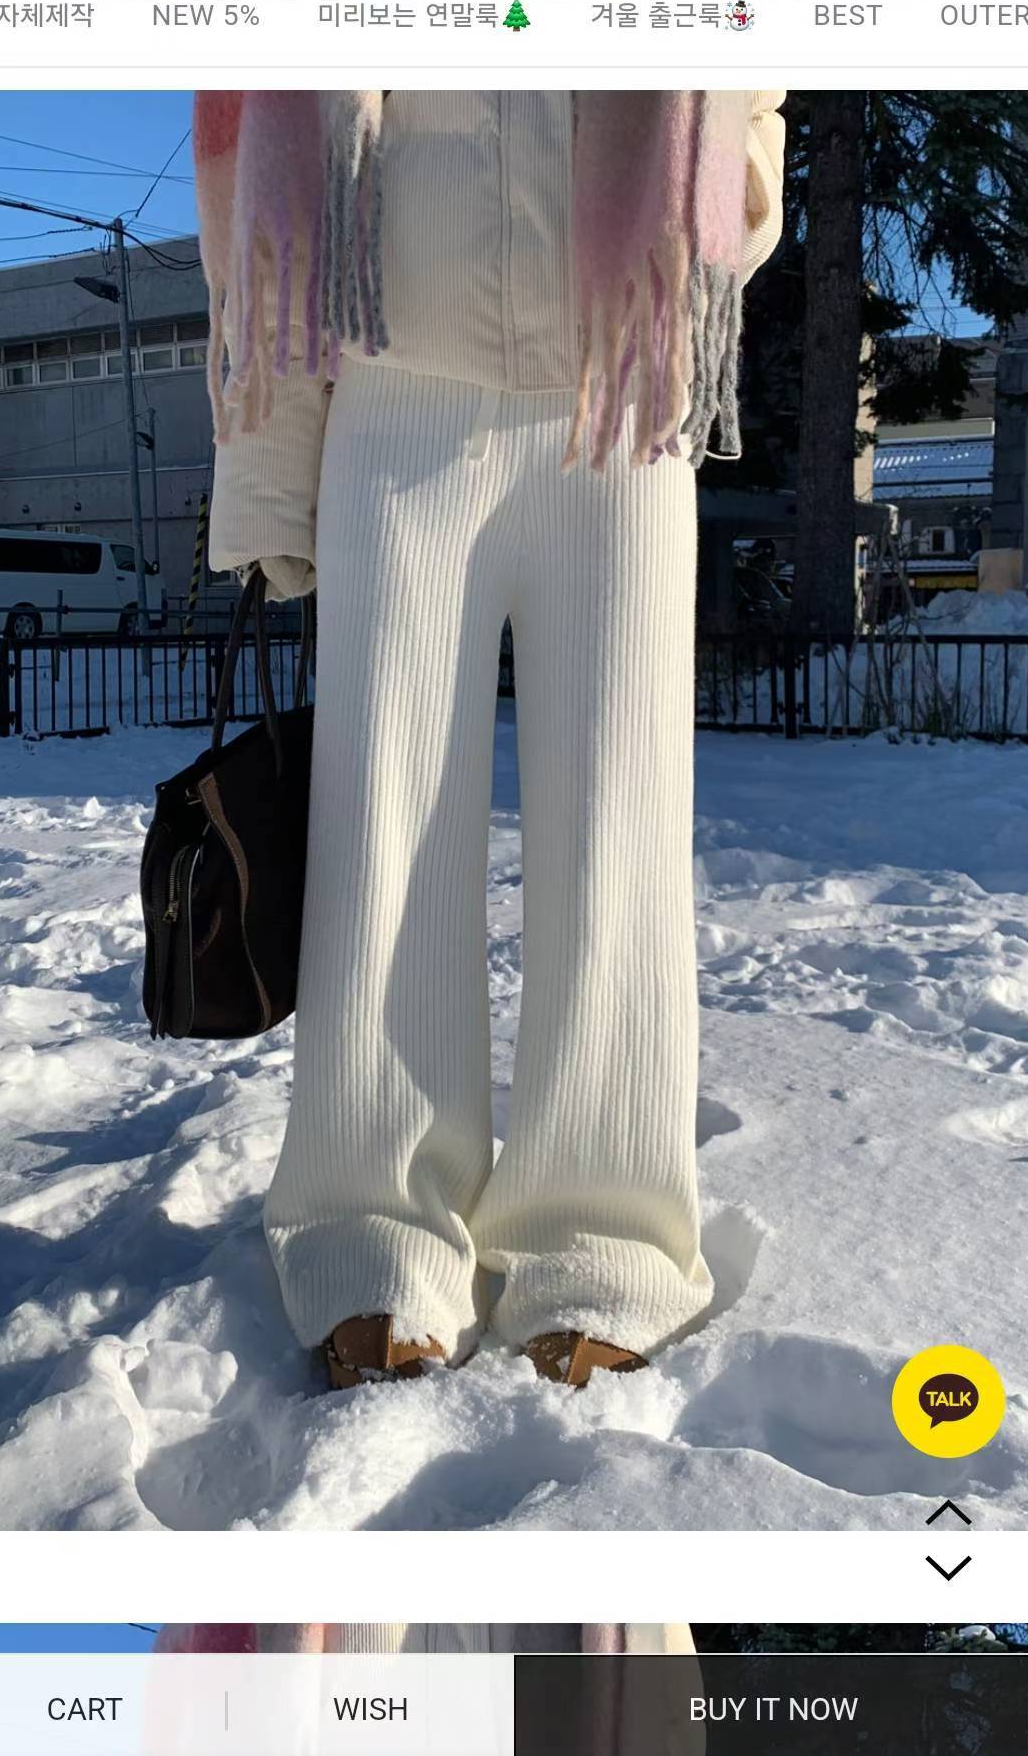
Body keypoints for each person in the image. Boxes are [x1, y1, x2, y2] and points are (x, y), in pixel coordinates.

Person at [196, 88, 785, 1391]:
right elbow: (255, 160)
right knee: (381, 824)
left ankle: (610, 1234)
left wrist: (713, 198)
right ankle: (372, 1229)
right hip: (395, 372)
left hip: (622, 376)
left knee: (623, 824)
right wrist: (271, 467)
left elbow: (756, 95)